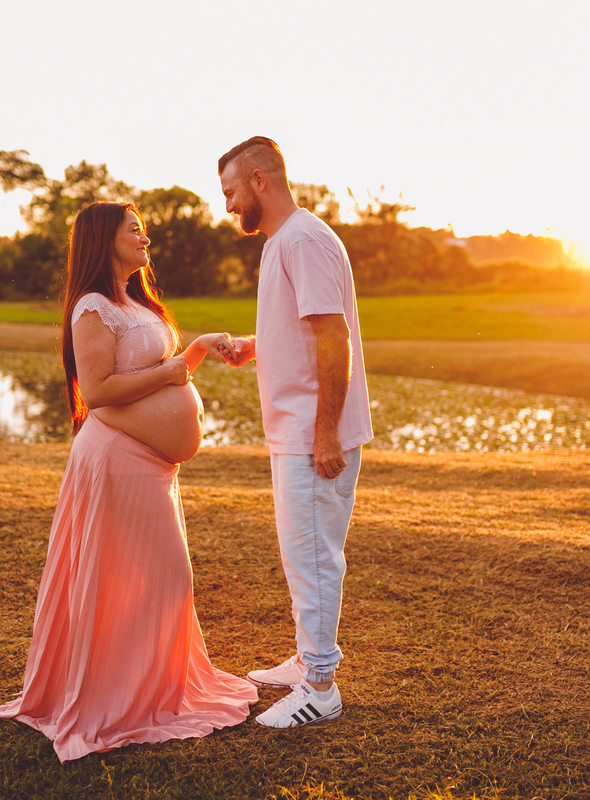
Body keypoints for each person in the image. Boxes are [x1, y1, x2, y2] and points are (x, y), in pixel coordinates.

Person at [0, 201, 257, 761]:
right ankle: (122, 702)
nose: (145, 238)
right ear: (103, 239)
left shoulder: (135, 301)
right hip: (116, 459)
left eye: (143, 230)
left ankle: (148, 691)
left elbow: (163, 374)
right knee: (147, 579)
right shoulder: (92, 306)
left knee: (157, 580)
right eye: (134, 229)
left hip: (152, 465)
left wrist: (197, 349)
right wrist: (172, 370)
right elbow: (98, 391)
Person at [218, 137, 373, 728]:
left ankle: (320, 688)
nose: (229, 205)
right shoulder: (285, 240)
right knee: (300, 553)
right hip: (298, 431)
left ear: (260, 179)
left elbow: (335, 336)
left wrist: (326, 432)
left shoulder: (303, 239)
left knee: (313, 557)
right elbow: (303, 329)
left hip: (313, 436)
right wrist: (255, 347)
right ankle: (308, 659)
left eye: (231, 191)